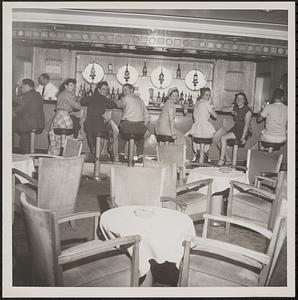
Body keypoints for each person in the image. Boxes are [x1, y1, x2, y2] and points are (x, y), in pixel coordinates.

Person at [80, 81, 117, 160]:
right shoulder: (104, 98)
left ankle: (94, 152)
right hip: (100, 125)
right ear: (99, 90)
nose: (105, 91)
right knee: (110, 130)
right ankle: (106, 150)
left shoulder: (91, 97)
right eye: (103, 89)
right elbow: (113, 104)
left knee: (90, 134)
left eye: (106, 90)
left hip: (88, 125)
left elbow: (82, 101)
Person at [116, 83, 150, 163]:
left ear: (131, 90)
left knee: (121, 135)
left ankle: (121, 155)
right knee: (140, 138)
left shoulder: (125, 98)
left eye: (125, 90)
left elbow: (118, 104)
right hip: (139, 127)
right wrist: (143, 126)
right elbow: (147, 117)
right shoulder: (140, 100)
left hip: (127, 127)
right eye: (123, 90)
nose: (124, 92)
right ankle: (140, 156)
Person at [48, 78, 81, 155]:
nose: (73, 87)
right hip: (64, 116)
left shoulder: (61, 94)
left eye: (74, 85)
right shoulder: (69, 94)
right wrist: (78, 102)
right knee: (74, 133)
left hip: (57, 118)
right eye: (70, 85)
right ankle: (67, 153)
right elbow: (77, 106)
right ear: (66, 86)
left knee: (57, 135)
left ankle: (57, 152)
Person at [218, 92, 252, 166]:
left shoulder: (247, 110)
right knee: (219, 143)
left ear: (244, 100)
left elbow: (247, 125)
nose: (239, 100)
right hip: (236, 128)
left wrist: (243, 137)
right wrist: (231, 110)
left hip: (243, 131)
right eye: (237, 98)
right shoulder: (236, 108)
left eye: (241, 99)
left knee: (223, 138)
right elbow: (222, 109)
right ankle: (228, 160)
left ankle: (221, 160)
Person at [13, 79, 45, 154]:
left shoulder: (27, 94)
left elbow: (21, 107)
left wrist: (13, 111)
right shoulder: (37, 94)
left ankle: (25, 154)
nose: (22, 89)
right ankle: (27, 153)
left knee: (15, 126)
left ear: (27, 86)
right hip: (39, 122)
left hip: (30, 123)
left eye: (23, 87)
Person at [189, 87, 217, 163]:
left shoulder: (197, 103)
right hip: (204, 126)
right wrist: (212, 109)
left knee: (197, 138)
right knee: (210, 135)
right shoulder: (206, 103)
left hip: (196, 127)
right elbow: (215, 116)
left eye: (209, 95)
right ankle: (205, 154)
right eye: (207, 95)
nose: (209, 97)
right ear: (202, 95)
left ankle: (197, 152)